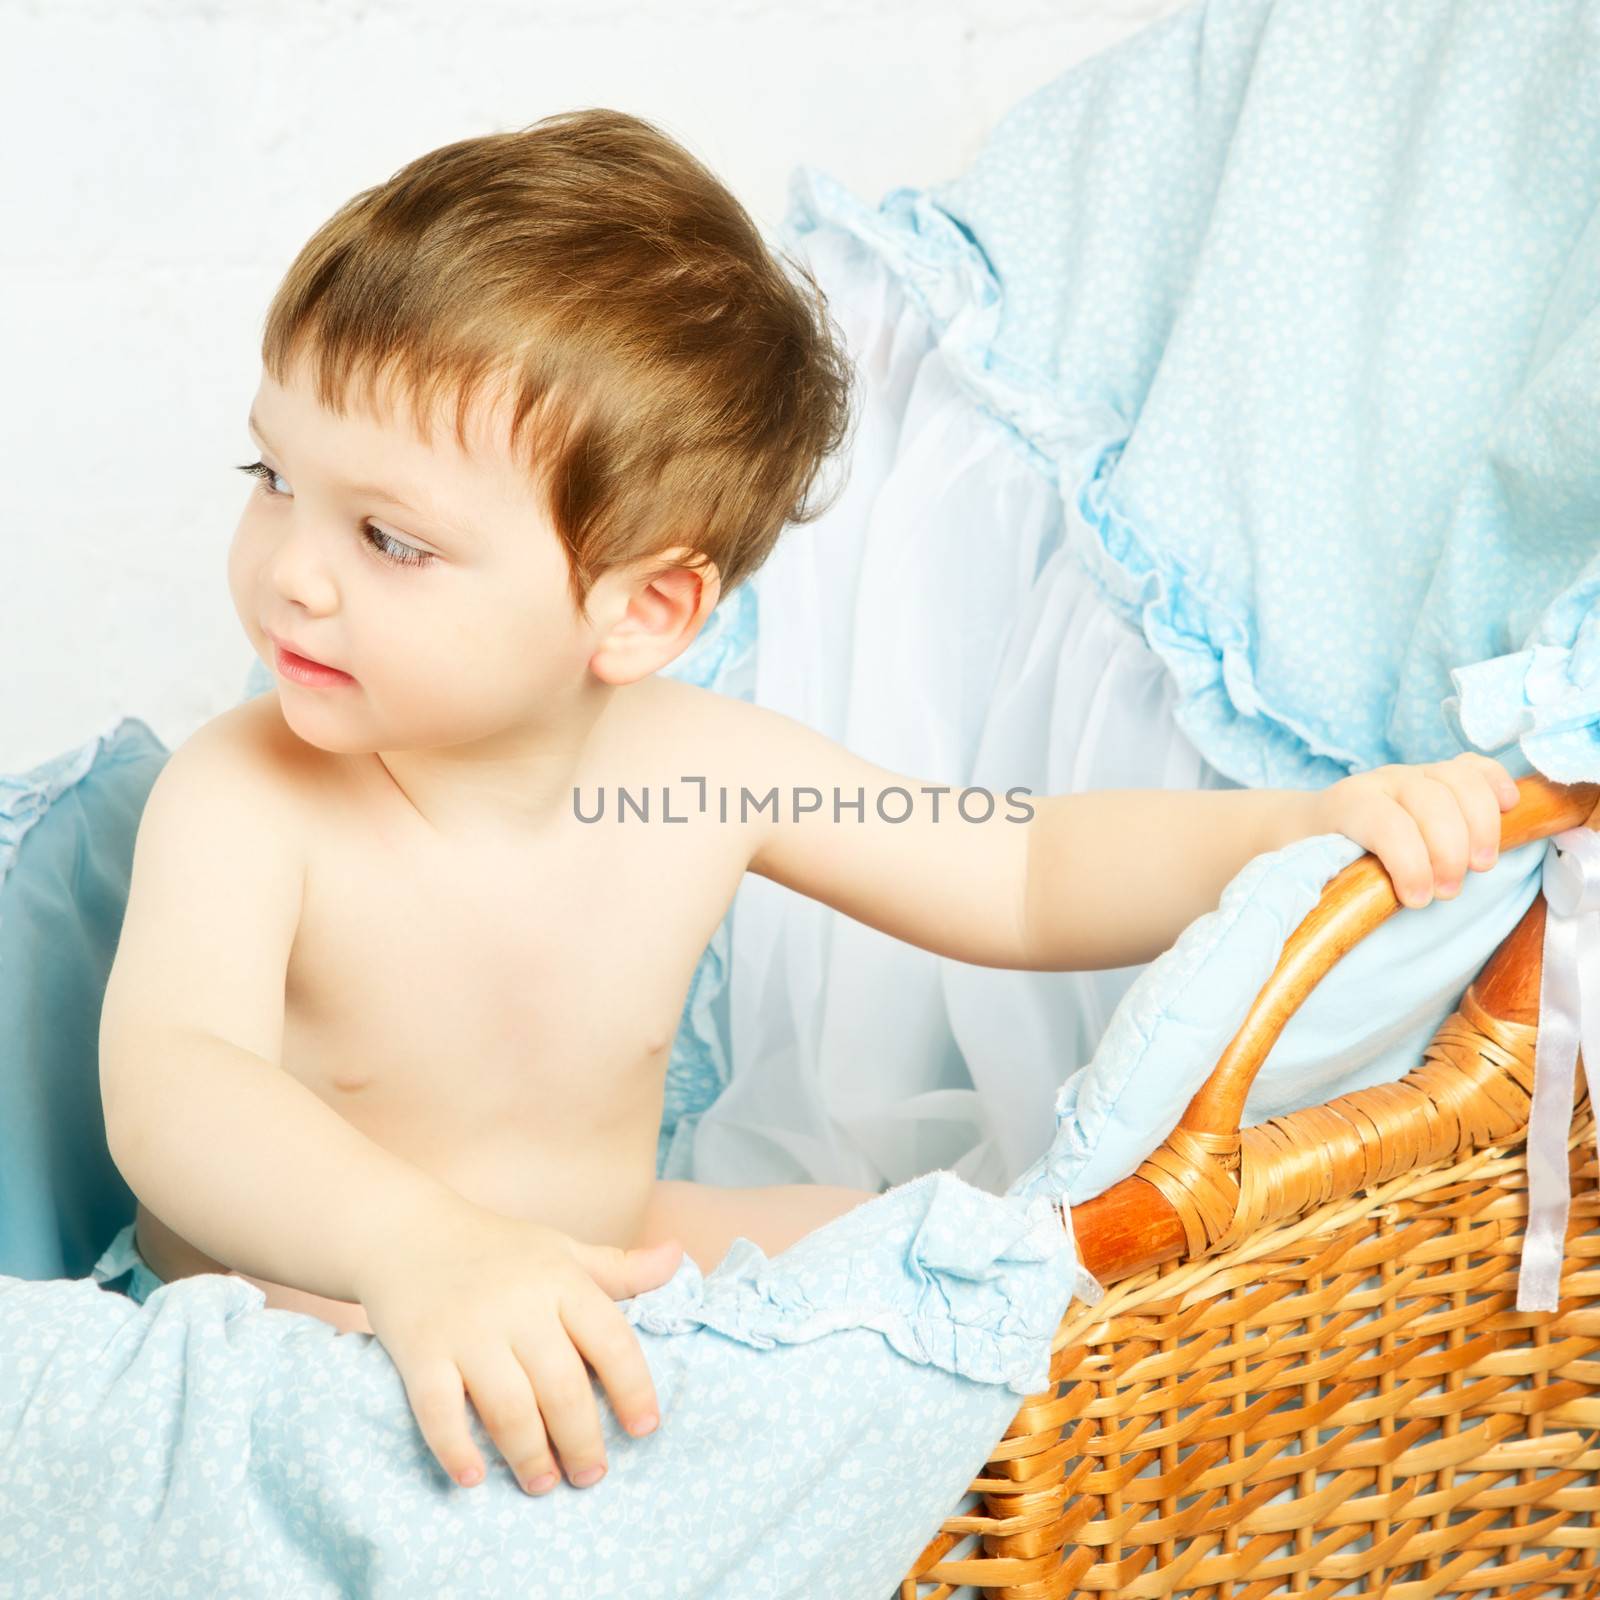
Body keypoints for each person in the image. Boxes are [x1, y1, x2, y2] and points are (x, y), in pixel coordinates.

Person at [96, 106, 1519, 1506]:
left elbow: (1017, 871)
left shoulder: (698, 770)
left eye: (388, 537)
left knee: (969, 1298)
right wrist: (419, 1250)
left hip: (600, 1243)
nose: (293, 569)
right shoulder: (252, 795)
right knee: (471, 1442)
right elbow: (174, 1086)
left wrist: (1288, 831)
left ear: (643, 609)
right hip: (304, 1316)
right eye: (274, 477)